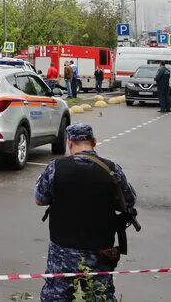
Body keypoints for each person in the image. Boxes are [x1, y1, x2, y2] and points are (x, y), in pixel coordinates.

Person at [35, 123, 136, 301]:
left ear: (70, 143)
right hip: (100, 252)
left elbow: (40, 199)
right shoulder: (112, 169)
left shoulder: (55, 168)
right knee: (99, 296)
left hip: (62, 252)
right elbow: (129, 200)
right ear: (94, 142)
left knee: (56, 297)